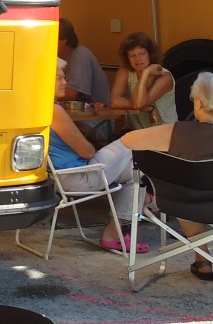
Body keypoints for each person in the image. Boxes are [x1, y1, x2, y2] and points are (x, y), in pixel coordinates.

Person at [121, 72, 213, 282]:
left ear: (199, 102)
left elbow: (128, 140)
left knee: (185, 193)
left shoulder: (176, 132)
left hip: (184, 205)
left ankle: (203, 262)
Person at [49, 59, 147, 253]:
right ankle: (126, 224)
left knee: (136, 173)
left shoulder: (33, 107)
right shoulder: (54, 110)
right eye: (59, 78)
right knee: (133, 142)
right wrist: (90, 144)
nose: (65, 82)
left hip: (57, 177)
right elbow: (87, 151)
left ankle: (116, 234)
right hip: (78, 176)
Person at [111, 31, 177, 129]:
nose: (138, 59)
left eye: (142, 54)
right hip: (134, 131)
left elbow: (139, 103)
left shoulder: (164, 76)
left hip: (163, 130)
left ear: (150, 54)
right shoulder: (125, 72)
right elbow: (114, 101)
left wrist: (146, 73)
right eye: (132, 55)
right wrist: (149, 108)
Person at [57, 18, 111, 105]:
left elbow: (71, 93)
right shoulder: (58, 57)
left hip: (96, 116)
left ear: (63, 40)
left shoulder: (80, 56)